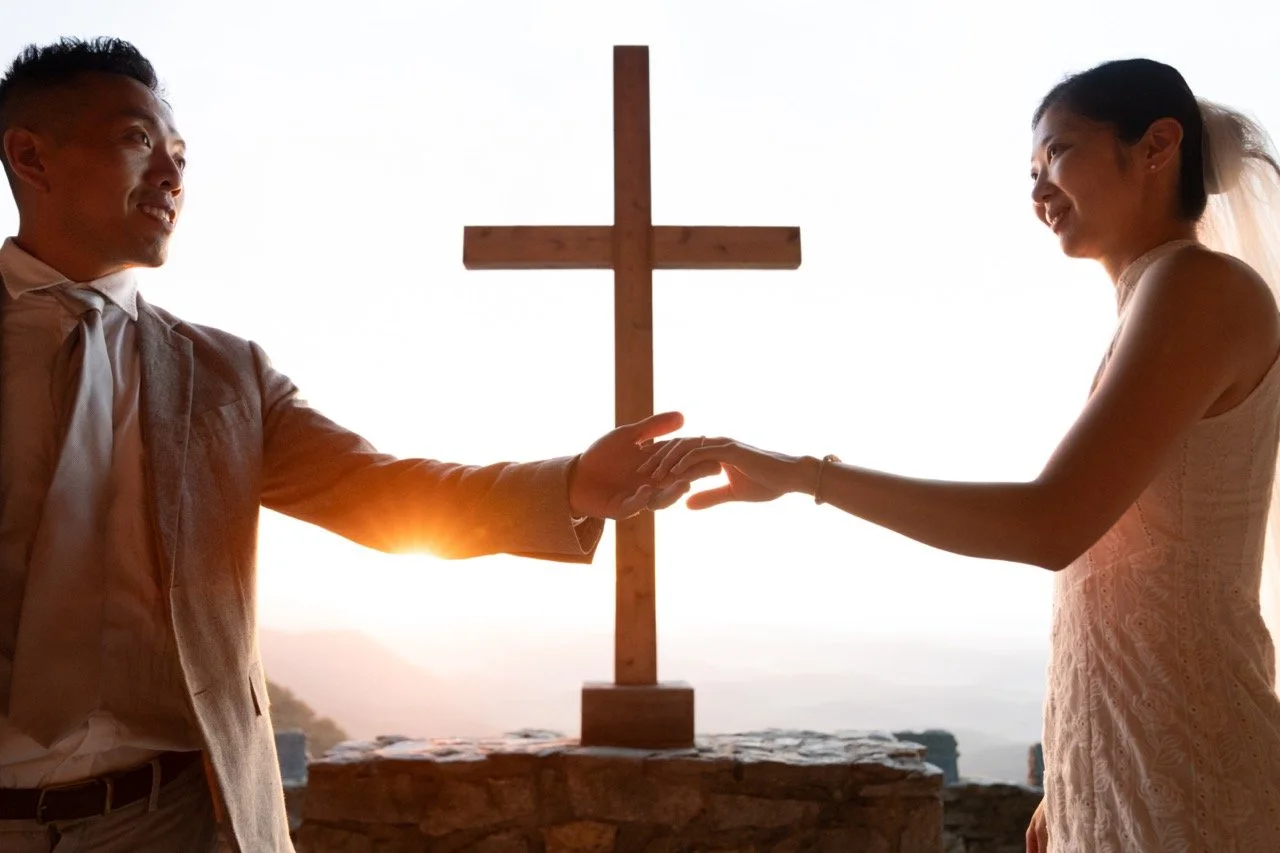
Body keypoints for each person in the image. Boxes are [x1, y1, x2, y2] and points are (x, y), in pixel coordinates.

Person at [0, 37, 697, 853]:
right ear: (31, 158)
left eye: (180, 153)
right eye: (138, 140)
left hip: (170, 822)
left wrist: (572, 484)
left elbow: (378, 489)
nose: (173, 175)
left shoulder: (226, 375)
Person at [649, 58, 1280, 852]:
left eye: (1059, 153)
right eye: (1030, 170)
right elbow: (1117, 576)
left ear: (1156, 146)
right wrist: (1074, 771)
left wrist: (807, 476)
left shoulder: (1200, 287)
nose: (1039, 188)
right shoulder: (1160, 300)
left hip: (1193, 774)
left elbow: (1050, 524)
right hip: (1134, 761)